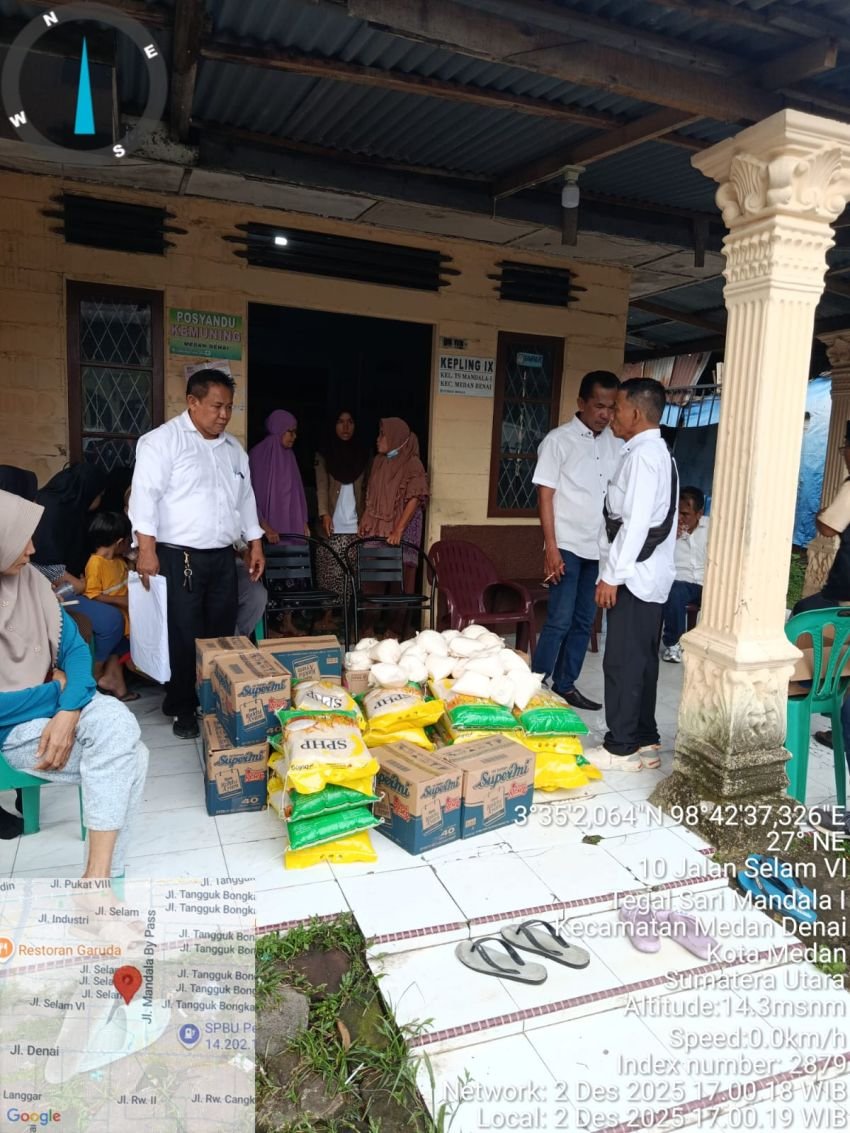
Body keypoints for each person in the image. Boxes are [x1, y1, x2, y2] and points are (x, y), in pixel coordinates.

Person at [0, 488, 149, 871]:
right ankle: (100, 883)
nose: (33, 549)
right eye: (22, 539)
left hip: (60, 705)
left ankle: (95, 885)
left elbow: (75, 650)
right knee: (132, 755)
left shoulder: (30, 582)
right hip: (14, 730)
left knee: (119, 731)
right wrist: (58, 689)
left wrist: (68, 705)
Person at [128, 370, 265, 739]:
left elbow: (246, 499)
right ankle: (181, 707)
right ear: (192, 402)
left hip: (221, 557)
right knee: (182, 635)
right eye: (216, 406)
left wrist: (255, 543)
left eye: (229, 408)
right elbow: (145, 499)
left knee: (219, 633)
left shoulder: (234, 449)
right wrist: (146, 550)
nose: (223, 415)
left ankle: (215, 700)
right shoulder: (162, 442)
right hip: (177, 557)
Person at [585, 378, 678, 773]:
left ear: (636, 413)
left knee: (623, 660)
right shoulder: (655, 452)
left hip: (634, 575)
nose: (612, 415)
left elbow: (636, 523)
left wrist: (612, 576)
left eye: (618, 407)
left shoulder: (644, 456)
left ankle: (620, 747)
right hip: (648, 575)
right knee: (641, 660)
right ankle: (644, 738)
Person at [531, 371, 621, 711]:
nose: (605, 414)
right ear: (581, 403)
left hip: (597, 546)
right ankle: (535, 685)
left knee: (585, 620)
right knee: (559, 618)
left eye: (611, 408)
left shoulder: (615, 443)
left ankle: (566, 684)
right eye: (599, 406)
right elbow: (545, 497)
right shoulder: (558, 441)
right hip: (566, 543)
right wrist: (550, 548)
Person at [29, 463, 126, 670]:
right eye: (98, 494)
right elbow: (41, 559)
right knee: (112, 620)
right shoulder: (51, 511)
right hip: (50, 591)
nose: (99, 500)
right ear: (87, 491)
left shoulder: (71, 509)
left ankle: (113, 676)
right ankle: (94, 674)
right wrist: (76, 584)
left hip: (71, 584)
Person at [358, 417, 429, 635]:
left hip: (401, 532)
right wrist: (366, 519)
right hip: (378, 528)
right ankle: (368, 626)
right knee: (372, 579)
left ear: (396, 438)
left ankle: (396, 629)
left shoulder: (412, 463)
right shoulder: (379, 461)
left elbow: (415, 497)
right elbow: (371, 494)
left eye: (382, 435)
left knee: (400, 583)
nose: (378, 440)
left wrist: (398, 529)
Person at [314, 409, 370, 631]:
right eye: (340, 422)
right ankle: (327, 617)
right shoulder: (324, 453)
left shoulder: (365, 454)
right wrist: (324, 513)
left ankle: (348, 620)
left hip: (356, 526)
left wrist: (367, 515)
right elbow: (321, 485)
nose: (345, 427)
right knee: (330, 574)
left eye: (350, 422)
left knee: (352, 576)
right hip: (332, 525)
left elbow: (368, 488)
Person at [793, 421, 850, 617]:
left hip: (844, 593)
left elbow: (827, 529)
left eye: (845, 448)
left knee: (802, 614)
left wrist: (821, 515)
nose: (844, 456)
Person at [84, 510, 136, 702]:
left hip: (126, 617)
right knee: (126, 652)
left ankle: (114, 683)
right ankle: (101, 678)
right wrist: (121, 601)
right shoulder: (95, 563)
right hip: (120, 619)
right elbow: (92, 594)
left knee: (117, 651)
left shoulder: (118, 561)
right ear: (119, 541)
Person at [660, 487, 709, 664]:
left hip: (707, 585)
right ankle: (674, 644)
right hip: (681, 584)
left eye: (686, 514)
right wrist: (670, 538)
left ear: (699, 513)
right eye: (678, 513)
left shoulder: (712, 528)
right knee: (675, 590)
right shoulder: (669, 529)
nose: (680, 518)